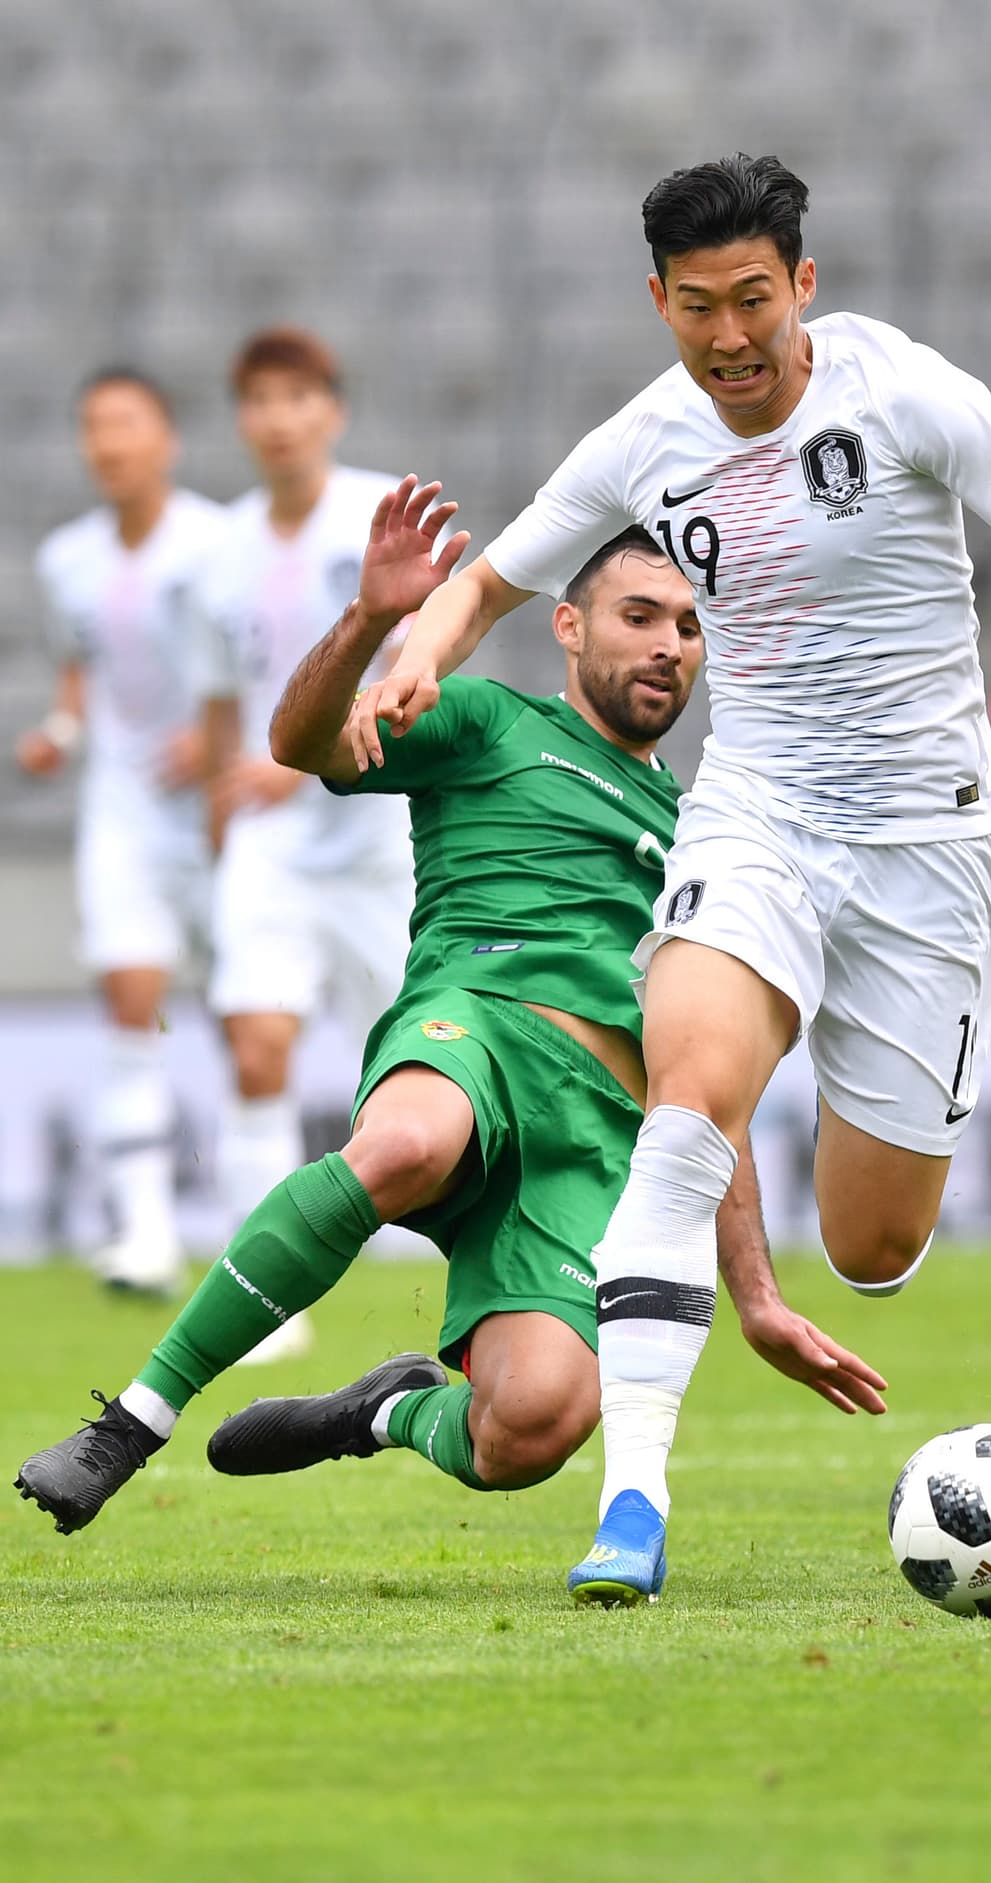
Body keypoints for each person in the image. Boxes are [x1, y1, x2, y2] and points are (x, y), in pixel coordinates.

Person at [343, 153, 991, 1605]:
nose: (729, 336)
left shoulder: (902, 392)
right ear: (658, 300)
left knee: (872, 1246)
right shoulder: (642, 441)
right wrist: (419, 650)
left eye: (755, 300)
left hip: (928, 849)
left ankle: (793, 1287)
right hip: (757, 816)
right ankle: (632, 1510)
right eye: (698, 306)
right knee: (687, 1102)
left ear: (805, 287)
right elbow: (489, 581)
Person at [15, 490, 887, 1564]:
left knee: (530, 1432)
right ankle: (131, 1423)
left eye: (689, 625)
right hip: (476, 1021)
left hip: (602, 1136)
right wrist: (367, 621)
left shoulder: (713, 842)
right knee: (405, 1145)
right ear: (568, 627)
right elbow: (300, 745)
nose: (667, 646)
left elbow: (712, 1090)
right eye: (639, 616)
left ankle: (382, 1411)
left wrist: (756, 1297)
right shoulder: (488, 724)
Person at [196, 327, 417, 1360]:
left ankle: (447, 1229)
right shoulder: (220, 551)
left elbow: (416, 673)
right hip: (268, 847)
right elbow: (215, 708)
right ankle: (265, 1301)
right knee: (257, 1046)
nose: (278, 419)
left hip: (375, 836)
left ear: (330, 409)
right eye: (259, 400)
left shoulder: (382, 519)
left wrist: (300, 756)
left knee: (412, 1052)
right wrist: (220, 818)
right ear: (242, 420)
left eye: (297, 398)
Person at [15, 368, 226, 1294]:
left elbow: (270, 660)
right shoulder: (67, 558)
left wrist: (215, 741)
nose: (108, 443)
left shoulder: (219, 543)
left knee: (250, 1022)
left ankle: (260, 1220)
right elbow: (80, 683)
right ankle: (144, 1235)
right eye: (94, 426)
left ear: (166, 438)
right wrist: (56, 739)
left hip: (225, 814)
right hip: (126, 814)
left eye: (126, 424)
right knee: (130, 1003)